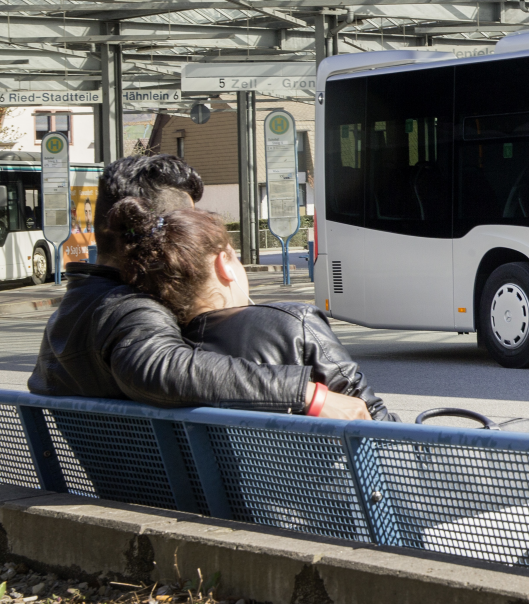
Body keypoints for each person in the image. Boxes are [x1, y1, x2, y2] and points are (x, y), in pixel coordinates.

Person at [29, 154, 367, 420]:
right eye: (185, 226)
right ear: (164, 237)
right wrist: (309, 394)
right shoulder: (126, 309)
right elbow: (157, 367)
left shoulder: (74, 310)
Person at [105, 198, 393, 422]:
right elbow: (373, 420)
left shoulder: (162, 343)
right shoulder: (294, 323)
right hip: (313, 492)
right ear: (224, 265)